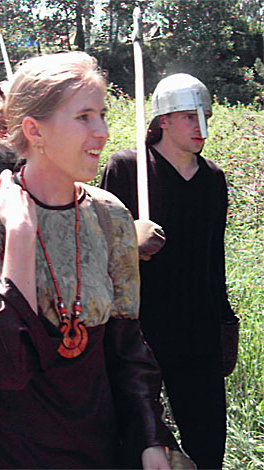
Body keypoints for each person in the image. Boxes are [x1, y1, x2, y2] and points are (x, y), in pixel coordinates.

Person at [0, 51, 180, 469]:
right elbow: (5, 363)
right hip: (4, 450)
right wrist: (21, 233)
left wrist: (150, 441)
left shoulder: (109, 215)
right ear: (34, 130)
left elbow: (126, 349)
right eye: (84, 117)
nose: (102, 132)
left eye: (102, 115)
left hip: (95, 448)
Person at [100, 73, 239, 469]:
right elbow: (98, 245)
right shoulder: (128, 167)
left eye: (205, 116)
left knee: (207, 445)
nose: (201, 127)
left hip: (198, 330)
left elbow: (213, 257)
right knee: (135, 442)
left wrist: (224, 319)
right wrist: (130, 239)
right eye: (190, 117)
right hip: (141, 329)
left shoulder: (213, 179)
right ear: (164, 120)